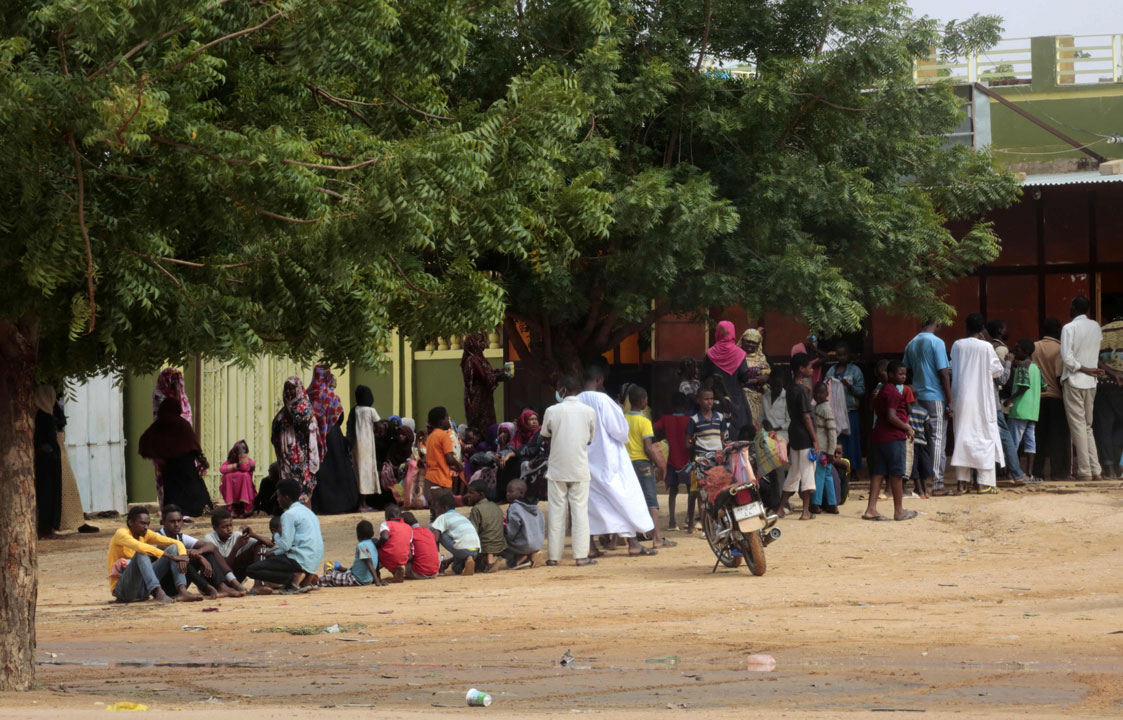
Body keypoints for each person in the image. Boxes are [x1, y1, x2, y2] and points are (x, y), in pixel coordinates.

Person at [578, 362, 658, 557]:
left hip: (584, 459)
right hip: (609, 460)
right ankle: (634, 543)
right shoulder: (604, 401)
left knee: (589, 504)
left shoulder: (576, 400)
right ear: (599, 380)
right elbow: (620, 431)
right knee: (626, 498)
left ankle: (590, 546)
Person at [539, 374, 597, 566]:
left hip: (557, 469)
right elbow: (590, 439)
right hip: (579, 468)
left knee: (556, 512)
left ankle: (554, 557)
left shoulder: (551, 410)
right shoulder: (588, 411)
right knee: (580, 512)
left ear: (562, 390)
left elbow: (545, 434)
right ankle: (581, 556)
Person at [948, 313, 1005, 493]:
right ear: (982, 330)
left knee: (962, 437)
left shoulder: (957, 345)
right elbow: (998, 371)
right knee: (984, 436)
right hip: (982, 400)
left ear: (966, 327)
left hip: (961, 399)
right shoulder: (987, 347)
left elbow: (951, 367)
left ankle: (961, 483)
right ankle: (982, 483)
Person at [107, 506, 200, 603]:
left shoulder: (145, 533)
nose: (146, 527)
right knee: (141, 554)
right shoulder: (121, 534)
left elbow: (177, 543)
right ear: (131, 523)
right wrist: (171, 557)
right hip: (123, 590)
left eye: (148, 524)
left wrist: (182, 557)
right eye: (142, 523)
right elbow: (141, 547)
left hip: (143, 590)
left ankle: (182, 591)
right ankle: (159, 593)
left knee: (173, 548)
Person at [246, 478, 324, 593]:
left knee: (251, 570)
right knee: (275, 562)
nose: (277, 500)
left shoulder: (288, 515)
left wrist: (276, 536)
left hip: (299, 559)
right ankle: (305, 576)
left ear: (286, 498)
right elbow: (295, 543)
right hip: (313, 559)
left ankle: (294, 577)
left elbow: (286, 545)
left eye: (278, 496)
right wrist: (274, 553)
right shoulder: (308, 512)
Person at [138, 398, 212, 518]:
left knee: (174, 493)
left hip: (170, 466)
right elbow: (193, 445)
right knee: (193, 489)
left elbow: (145, 442)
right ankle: (197, 511)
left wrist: (157, 457)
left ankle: (175, 514)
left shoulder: (159, 425)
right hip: (185, 465)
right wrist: (202, 460)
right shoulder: (182, 424)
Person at [863, 361, 917, 520]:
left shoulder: (882, 390)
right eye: (900, 374)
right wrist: (907, 428)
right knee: (896, 473)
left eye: (905, 374)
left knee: (878, 473)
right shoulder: (893, 392)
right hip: (893, 437)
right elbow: (892, 416)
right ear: (891, 374)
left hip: (879, 436)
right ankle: (899, 511)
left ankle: (870, 509)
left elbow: (876, 410)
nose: (903, 377)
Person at [1061, 296, 1105, 481]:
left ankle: (1085, 471)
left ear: (1073, 308)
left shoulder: (1069, 328)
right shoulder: (1096, 326)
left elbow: (1067, 358)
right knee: (1087, 427)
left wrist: (1085, 369)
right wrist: (1091, 370)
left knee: (1078, 427)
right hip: (1091, 383)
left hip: (1075, 380)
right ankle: (1096, 470)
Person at [157, 505, 245, 597]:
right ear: (163, 522)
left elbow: (211, 546)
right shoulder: (155, 537)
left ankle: (222, 586)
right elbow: (170, 550)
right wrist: (199, 557)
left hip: (181, 582)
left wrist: (199, 552)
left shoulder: (181, 537)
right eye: (172, 521)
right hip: (163, 587)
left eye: (179, 521)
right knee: (181, 557)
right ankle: (208, 587)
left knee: (208, 552)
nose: (176, 524)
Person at [624, 385, 673, 549]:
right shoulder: (644, 421)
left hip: (627, 465)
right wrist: (659, 464)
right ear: (643, 401)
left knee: (630, 500)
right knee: (651, 500)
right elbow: (648, 448)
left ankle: (627, 538)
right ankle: (657, 537)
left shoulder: (623, 419)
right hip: (643, 464)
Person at [308, 365, 359, 515]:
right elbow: (340, 417)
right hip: (332, 437)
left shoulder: (308, 394)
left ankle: (322, 505)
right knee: (338, 468)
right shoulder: (331, 396)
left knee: (321, 470)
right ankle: (342, 504)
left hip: (315, 437)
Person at [699, 320, 754, 441]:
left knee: (716, 436)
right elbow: (745, 376)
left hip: (715, 401)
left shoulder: (710, 354)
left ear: (717, 333)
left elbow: (703, 376)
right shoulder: (740, 354)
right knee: (737, 438)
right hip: (736, 401)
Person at [987, 319, 1026, 485]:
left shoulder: (988, 346)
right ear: (999, 330)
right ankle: (1015, 473)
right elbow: (1002, 377)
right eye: (1005, 327)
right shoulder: (1001, 348)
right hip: (998, 399)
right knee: (1005, 436)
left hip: (986, 400)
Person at [271, 376, 320, 506]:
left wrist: (288, 407)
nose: (288, 392)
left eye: (292, 388)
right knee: (289, 485)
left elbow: (297, 422)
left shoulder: (303, 405)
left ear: (298, 388)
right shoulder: (287, 406)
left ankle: (305, 514)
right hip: (287, 455)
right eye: (286, 389)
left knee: (301, 485)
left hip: (299, 455)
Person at [779, 353, 818, 520]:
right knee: (807, 471)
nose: (812, 370)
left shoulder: (790, 389)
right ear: (801, 369)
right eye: (810, 367)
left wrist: (808, 393)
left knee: (794, 471)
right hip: (804, 435)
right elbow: (806, 415)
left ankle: (780, 508)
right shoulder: (801, 390)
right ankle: (805, 511)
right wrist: (815, 439)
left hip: (794, 432)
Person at [1031, 318, 1069, 481]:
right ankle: (1057, 472)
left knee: (1039, 437)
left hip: (1037, 399)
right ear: (1058, 331)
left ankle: (1037, 472)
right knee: (1057, 436)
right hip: (1055, 398)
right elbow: (1060, 376)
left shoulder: (1033, 347)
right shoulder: (1061, 349)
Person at [151, 368, 194, 507]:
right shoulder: (159, 395)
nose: (175, 383)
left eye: (177, 379)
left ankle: (183, 510)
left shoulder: (183, 397)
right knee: (166, 478)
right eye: (172, 379)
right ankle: (168, 509)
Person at [686, 385, 727, 530]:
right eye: (706, 399)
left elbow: (723, 439)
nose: (709, 402)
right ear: (698, 400)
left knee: (718, 490)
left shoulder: (720, 418)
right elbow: (688, 441)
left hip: (717, 459)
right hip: (701, 460)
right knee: (702, 493)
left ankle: (717, 523)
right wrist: (690, 445)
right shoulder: (694, 420)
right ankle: (706, 526)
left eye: (711, 399)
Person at [824, 343, 866, 474]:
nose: (841, 357)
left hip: (850, 411)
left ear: (848, 355)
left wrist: (850, 386)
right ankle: (838, 468)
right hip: (834, 413)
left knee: (851, 442)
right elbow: (824, 387)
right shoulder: (831, 371)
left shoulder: (855, 371)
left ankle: (852, 470)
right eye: (839, 355)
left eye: (844, 354)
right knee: (836, 441)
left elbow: (861, 391)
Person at [1008, 338, 1044, 485]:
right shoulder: (1036, 368)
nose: (1014, 351)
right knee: (1030, 443)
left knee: (1013, 443)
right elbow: (1044, 386)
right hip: (1033, 410)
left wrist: (1009, 398)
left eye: (1017, 349)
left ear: (1026, 351)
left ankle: (1013, 473)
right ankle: (1029, 473)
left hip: (1019, 409)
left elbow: (1024, 386)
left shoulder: (1023, 366)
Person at [654, 393, 692, 531]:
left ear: (672, 405)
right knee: (690, 491)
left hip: (671, 461)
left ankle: (672, 522)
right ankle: (689, 520)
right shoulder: (689, 420)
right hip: (687, 461)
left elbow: (654, 428)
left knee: (673, 492)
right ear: (685, 405)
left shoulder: (666, 419)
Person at [1094, 309, 1123, 479]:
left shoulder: (1102, 331)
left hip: (1105, 384)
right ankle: (1117, 463)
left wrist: (1112, 373)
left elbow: (1094, 358)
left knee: (1104, 425)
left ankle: (1109, 468)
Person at [461, 332, 509, 433]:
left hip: (483, 399)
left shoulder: (479, 359)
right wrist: (501, 374)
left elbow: (489, 374)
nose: (483, 344)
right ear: (473, 343)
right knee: (482, 430)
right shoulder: (472, 360)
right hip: (477, 401)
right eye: (480, 341)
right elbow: (487, 378)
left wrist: (501, 372)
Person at [203, 507, 266, 583]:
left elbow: (268, 543)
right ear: (215, 528)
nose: (229, 529)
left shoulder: (236, 535)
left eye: (230, 525)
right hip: (217, 579)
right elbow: (223, 567)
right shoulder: (209, 539)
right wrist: (236, 547)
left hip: (236, 576)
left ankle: (258, 584)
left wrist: (253, 535)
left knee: (258, 545)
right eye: (225, 527)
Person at [33, 385, 63, 539]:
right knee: (46, 494)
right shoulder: (42, 416)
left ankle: (47, 526)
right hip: (46, 462)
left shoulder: (45, 414)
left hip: (48, 460)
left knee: (49, 493)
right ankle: (45, 528)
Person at [318, 520, 386, 587]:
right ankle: (340, 569)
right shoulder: (373, 543)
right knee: (351, 570)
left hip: (357, 579)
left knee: (328, 578)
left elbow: (369, 563)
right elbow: (374, 564)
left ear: (358, 535)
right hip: (366, 578)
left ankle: (329, 573)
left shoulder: (362, 546)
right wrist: (377, 579)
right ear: (372, 533)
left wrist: (377, 581)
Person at [347, 385, 382, 511]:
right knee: (365, 474)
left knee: (358, 473)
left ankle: (360, 504)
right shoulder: (370, 411)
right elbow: (379, 426)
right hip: (367, 446)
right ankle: (363, 504)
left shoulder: (354, 410)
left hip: (356, 446)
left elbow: (349, 427)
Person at [430, 493, 480, 575]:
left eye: (437, 508)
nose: (435, 511)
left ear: (445, 507)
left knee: (436, 532)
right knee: (456, 568)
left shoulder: (442, 517)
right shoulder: (462, 517)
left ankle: (437, 563)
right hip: (475, 552)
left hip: (463, 550)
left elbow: (435, 538)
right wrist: (449, 560)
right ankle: (468, 560)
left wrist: (435, 556)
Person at [424, 406, 462, 514]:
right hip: (441, 481)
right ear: (441, 422)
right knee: (448, 513)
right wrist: (459, 465)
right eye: (446, 417)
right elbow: (449, 459)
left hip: (430, 480)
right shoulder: (444, 436)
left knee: (435, 515)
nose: (449, 420)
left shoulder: (431, 436)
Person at [810, 382, 839, 514]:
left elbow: (832, 432)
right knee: (827, 476)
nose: (818, 395)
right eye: (815, 392)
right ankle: (833, 504)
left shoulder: (825, 409)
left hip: (822, 448)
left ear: (827, 394)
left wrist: (830, 452)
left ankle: (816, 503)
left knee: (819, 476)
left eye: (821, 392)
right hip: (825, 449)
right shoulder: (818, 407)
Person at [466, 478, 507, 572]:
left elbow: (473, 533)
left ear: (481, 494)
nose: (468, 496)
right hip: (500, 546)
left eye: (471, 493)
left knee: (457, 566)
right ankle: (490, 559)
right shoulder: (495, 505)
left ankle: (488, 562)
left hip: (485, 547)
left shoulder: (476, 509)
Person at [502, 478, 544, 569]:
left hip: (523, 545)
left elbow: (511, 532)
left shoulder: (514, 507)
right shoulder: (535, 507)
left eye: (511, 491)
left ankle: (520, 558)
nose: (507, 494)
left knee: (499, 544)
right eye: (507, 492)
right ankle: (532, 555)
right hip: (537, 543)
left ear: (521, 493)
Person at [739, 328, 772, 428]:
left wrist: (765, 377)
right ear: (742, 341)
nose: (751, 345)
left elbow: (765, 372)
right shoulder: (737, 357)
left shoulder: (761, 358)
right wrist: (755, 380)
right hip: (741, 397)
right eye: (748, 342)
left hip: (758, 398)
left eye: (754, 343)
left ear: (758, 344)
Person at [219, 440, 257, 518]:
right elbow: (222, 469)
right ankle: (233, 508)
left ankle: (245, 509)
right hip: (232, 491)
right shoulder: (229, 462)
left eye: (243, 451)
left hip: (245, 490)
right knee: (227, 477)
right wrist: (236, 465)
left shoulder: (249, 462)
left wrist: (242, 458)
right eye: (238, 451)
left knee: (245, 475)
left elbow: (244, 468)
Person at [376, 504, 413, 582]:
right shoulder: (408, 527)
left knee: (374, 545)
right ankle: (397, 572)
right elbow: (409, 546)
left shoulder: (386, 524)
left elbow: (384, 537)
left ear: (389, 516)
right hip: (403, 560)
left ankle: (376, 574)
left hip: (388, 557)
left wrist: (377, 545)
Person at [400, 511, 441, 579]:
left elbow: (409, 556)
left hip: (419, 573)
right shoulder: (428, 531)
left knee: (399, 562)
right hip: (434, 572)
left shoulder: (409, 534)